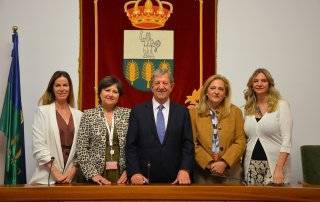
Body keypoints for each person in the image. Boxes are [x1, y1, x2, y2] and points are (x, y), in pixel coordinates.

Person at [126, 68, 194, 184]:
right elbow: (131, 146)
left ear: (172, 86)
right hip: (144, 178)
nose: (161, 87)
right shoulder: (138, 111)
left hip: (176, 178)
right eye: (157, 83)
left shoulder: (182, 112)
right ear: (151, 86)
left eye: (165, 83)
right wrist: (134, 172)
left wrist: (185, 169)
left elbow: (188, 145)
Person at [189, 74, 246, 183]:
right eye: (212, 88)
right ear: (206, 91)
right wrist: (209, 163)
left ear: (225, 93)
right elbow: (192, 142)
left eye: (221, 89)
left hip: (231, 171)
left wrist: (224, 162)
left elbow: (240, 140)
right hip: (203, 172)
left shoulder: (236, 112)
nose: (216, 92)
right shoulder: (193, 113)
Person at [29, 71, 83, 185]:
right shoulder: (42, 112)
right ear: (52, 89)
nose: (62, 88)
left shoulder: (79, 115)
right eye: (58, 85)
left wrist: (73, 170)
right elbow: (38, 146)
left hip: (71, 180)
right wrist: (55, 172)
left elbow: (83, 148)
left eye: (65, 85)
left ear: (70, 88)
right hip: (46, 178)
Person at [76, 76, 131, 185]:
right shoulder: (88, 115)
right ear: (100, 92)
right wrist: (93, 174)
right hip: (95, 177)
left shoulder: (128, 114)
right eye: (107, 90)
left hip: (123, 175)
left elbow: (136, 146)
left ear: (119, 95)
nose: (110, 94)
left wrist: (131, 170)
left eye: (115, 91)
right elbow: (81, 148)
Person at [243, 68, 293, 185]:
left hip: (274, 167)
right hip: (251, 166)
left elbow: (287, 140)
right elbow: (245, 139)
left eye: (263, 81)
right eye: (256, 81)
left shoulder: (281, 105)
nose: (259, 84)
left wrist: (279, 169)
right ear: (251, 85)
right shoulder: (247, 108)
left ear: (269, 84)